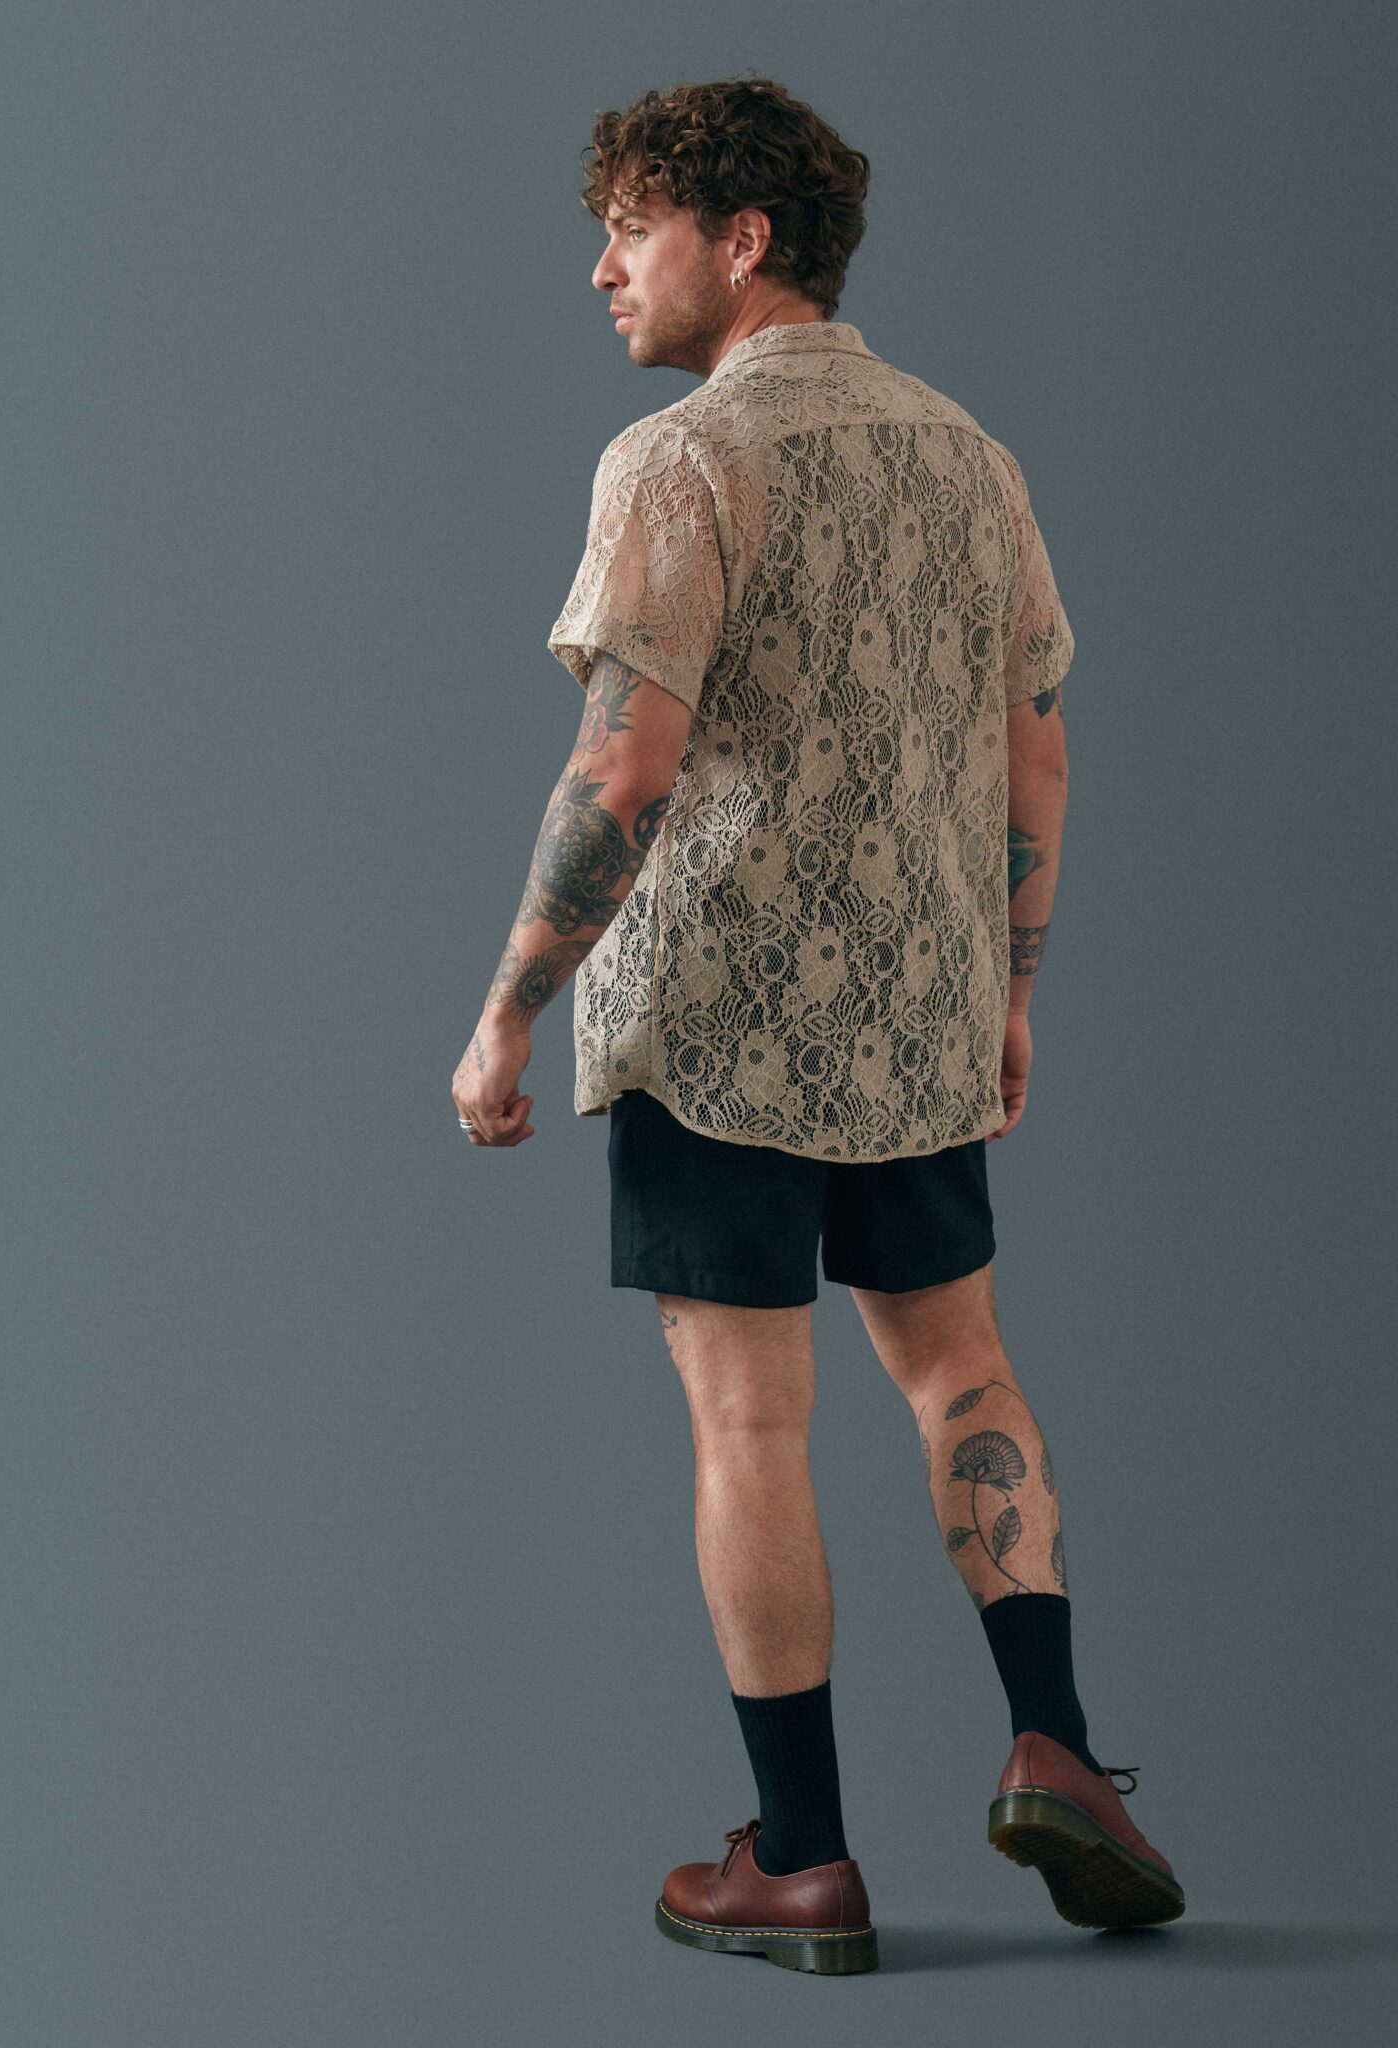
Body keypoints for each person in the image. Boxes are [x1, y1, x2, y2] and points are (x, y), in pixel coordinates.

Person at [450, 74, 1183, 1974]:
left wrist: (509, 1010)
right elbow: (1039, 754)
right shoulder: (971, 458)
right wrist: (1012, 991)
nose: (602, 268)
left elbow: (623, 772)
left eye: (633, 227)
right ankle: (1061, 1747)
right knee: (962, 1372)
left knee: (749, 1414)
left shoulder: (679, 460)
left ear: (743, 237)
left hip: (718, 1021)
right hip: (919, 1006)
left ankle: (802, 1863)